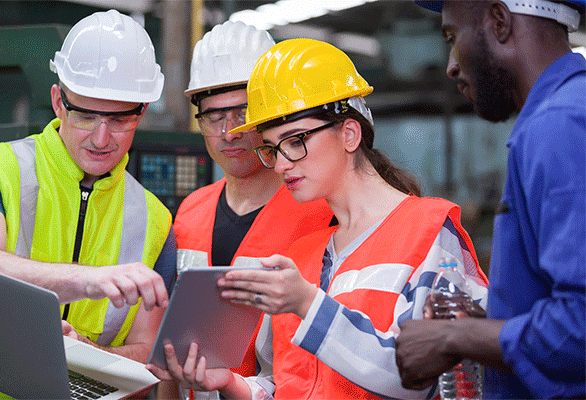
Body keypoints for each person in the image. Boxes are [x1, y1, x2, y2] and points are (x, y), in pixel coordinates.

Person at [148, 38, 488, 399]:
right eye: (272, 148)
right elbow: (291, 386)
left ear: (349, 133)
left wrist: (308, 304)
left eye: (295, 141)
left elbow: (418, 378)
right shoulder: (306, 256)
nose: (280, 164)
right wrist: (232, 384)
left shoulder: (428, 232)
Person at [396, 0, 585, 398]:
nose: (450, 65)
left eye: (452, 36)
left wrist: (457, 336)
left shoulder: (559, 126)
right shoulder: (564, 113)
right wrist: (491, 325)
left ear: (499, 22)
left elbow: (580, 326)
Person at [0, 9, 176, 364]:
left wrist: (90, 355)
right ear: (59, 102)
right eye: (86, 116)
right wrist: (88, 280)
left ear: (142, 112)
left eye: (119, 119)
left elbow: (148, 351)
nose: (101, 138)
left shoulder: (155, 221)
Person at [157, 22, 334, 399]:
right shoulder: (190, 212)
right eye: (213, 117)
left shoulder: (321, 214)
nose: (229, 132)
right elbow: (171, 349)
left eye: (242, 113)